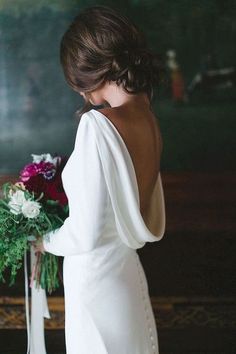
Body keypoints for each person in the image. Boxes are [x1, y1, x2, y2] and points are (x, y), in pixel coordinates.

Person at [32, 5, 166, 354]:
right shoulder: (149, 120)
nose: (79, 93)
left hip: (94, 282)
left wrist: (44, 240)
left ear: (87, 69)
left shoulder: (98, 125)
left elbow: (86, 231)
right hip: (126, 276)